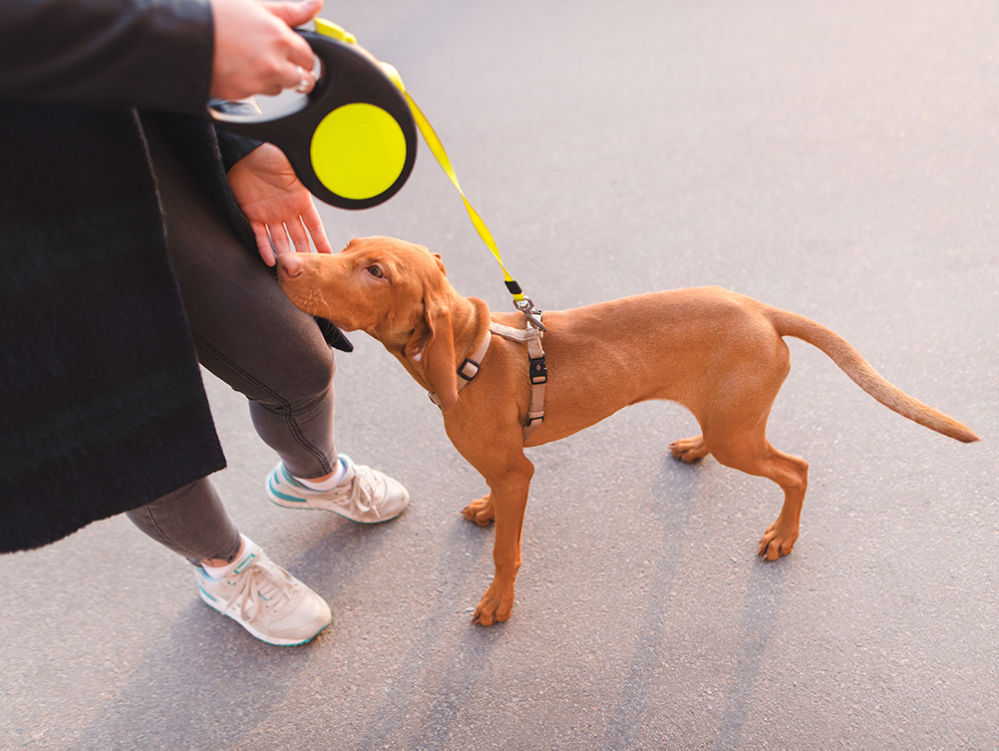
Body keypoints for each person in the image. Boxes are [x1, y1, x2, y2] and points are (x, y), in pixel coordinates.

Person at [0, 0, 408, 646]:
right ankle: (224, 565)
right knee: (139, 438)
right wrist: (192, 38)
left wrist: (232, 137)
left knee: (295, 359)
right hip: (19, 218)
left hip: (125, 132)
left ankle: (313, 474)